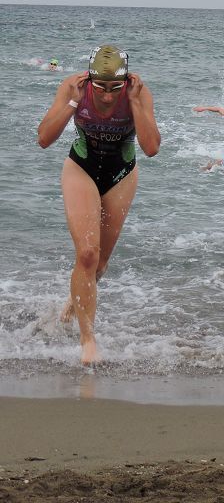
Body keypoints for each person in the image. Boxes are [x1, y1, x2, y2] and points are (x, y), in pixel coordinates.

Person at [37, 45, 160, 365]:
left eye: (114, 88)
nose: (107, 96)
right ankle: (87, 339)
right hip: (81, 167)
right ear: (90, 79)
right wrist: (74, 102)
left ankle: (70, 307)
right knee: (87, 255)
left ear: (124, 81)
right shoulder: (73, 86)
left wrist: (132, 100)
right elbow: (44, 138)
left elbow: (151, 148)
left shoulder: (138, 92)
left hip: (121, 173)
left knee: (100, 264)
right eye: (100, 87)